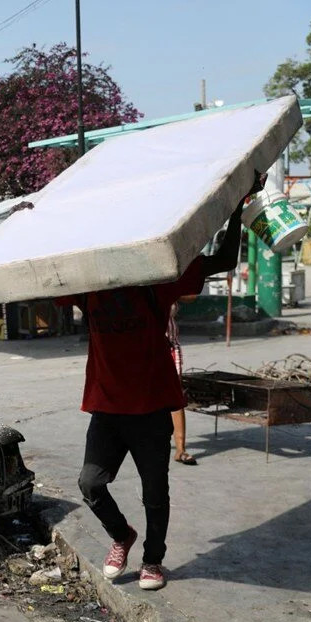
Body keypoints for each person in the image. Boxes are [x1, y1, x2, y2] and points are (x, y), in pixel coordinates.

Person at [61, 173, 264, 592]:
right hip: (106, 407)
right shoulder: (88, 283)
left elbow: (222, 262)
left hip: (152, 406)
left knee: (155, 492)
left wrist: (236, 211)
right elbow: (42, 280)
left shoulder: (157, 278)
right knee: (90, 484)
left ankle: (153, 560)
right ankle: (122, 536)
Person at [168, 298, 197, 465]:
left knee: (176, 399)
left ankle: (180, 449)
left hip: (170, 348)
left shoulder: (167, 289)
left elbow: (189, 297)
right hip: (149, 350)